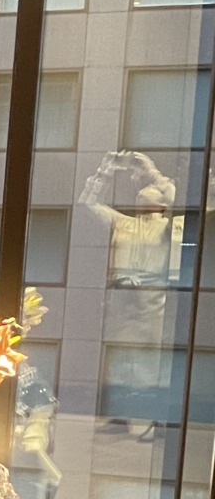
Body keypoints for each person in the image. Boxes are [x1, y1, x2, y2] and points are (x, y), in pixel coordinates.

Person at [79, 149, 178, 436]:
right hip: (121, 298)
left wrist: (152, 172)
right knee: (119, 360)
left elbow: (178, 201)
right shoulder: (124, 223)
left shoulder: (168, 226)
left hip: (151, 300)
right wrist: (105, 169)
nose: (144, 189)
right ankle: (119, 417)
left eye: (151, 189)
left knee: (150, 362)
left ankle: (154, 421)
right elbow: (88, 203)